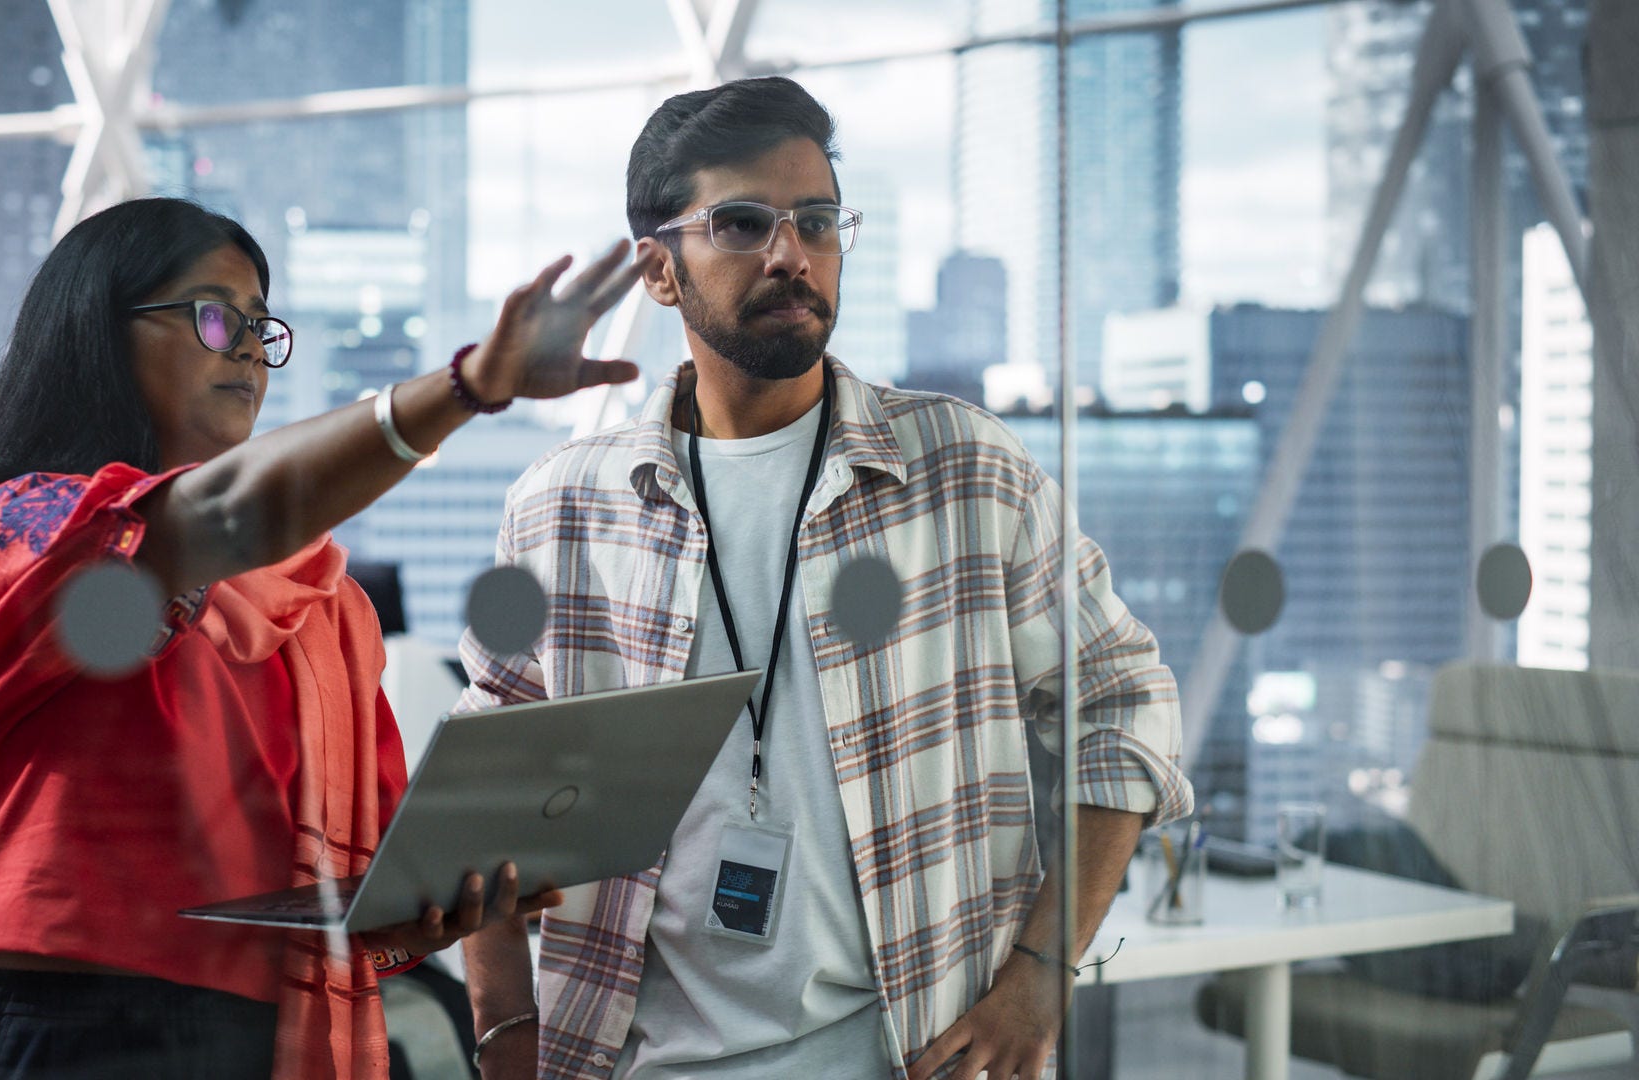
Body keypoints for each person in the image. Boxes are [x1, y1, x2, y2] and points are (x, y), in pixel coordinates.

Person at [457, 76, 1193, 1080]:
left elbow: (1122, 707)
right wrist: (503, 1037)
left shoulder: (964, 474)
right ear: (658, 272)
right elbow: (481, 796)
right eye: (742, 222)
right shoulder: (564, 507)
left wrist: (1037, 979)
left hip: (911, 1056)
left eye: (816, 220)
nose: (790, 253)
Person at [0, 196, 641, 1080]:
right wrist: (466, 386)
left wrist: (421, 905)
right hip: (66, 1034)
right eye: (213, 316)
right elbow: (217, 515)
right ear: (96, 335)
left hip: (263, 1037)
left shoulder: (322, 597)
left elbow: (362, 888)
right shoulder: (5, 533)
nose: (248, 346)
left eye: (259, 324)